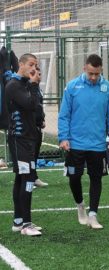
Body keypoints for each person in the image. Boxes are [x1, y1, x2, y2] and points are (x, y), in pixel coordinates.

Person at [58, 54, 109, 229]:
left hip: (97, 144)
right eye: (91, 73)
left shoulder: (108, 89)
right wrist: (63, 137)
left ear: (101, 71)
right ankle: (80, 206)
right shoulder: (72, 87)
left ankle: (93, 215)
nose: (93, 77)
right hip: (75, 143)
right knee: (74, 177)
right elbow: (64, 115)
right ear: (85, 68)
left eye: (97, 74)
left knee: (96, 178)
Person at [6, 53, 42, 236]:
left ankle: (18, 221)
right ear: (20, 64)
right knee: (27, 179)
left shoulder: (26, 84)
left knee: (22, 178)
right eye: (30, 64)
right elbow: (29, 104)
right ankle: (26, 225)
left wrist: (34, 85)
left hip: (28, 138)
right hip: (19, 139)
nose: (33, 68)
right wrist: (34, 85)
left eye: (35, 64)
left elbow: (36, 106)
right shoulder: (13, 85)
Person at [34, 65, 48, 187]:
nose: (39, 76)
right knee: (30, 154)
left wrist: (42, 119)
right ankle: (30, 178)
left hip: (38, 126)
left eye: (40, 74)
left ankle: (34, 177)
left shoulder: (38, 89)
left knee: (35, 153)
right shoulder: (27, 88)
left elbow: (39, 107)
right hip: (29, 128)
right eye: (37, 74)